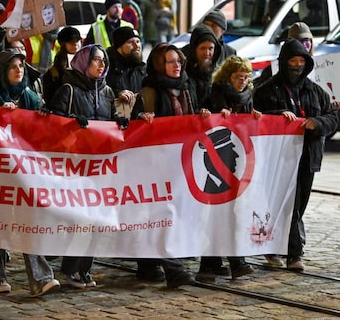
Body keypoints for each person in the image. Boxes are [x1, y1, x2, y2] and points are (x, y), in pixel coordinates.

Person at [43, 44, 129, 289]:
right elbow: (51, 122)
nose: (101, 65)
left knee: (95, 219)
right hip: (73, 168)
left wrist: (125, 113)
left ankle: (84, 268)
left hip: (99, 167)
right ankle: (71, 268)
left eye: (103, 61)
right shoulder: (68, 89)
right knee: (79, 219)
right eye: (96, 60)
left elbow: (119, 121)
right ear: (83, 62)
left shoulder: (108, 91)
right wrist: (70, 122)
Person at [253, 39, 338, 271]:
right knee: (281, 203)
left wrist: (316, 123)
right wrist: (279, 116)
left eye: (301, 61)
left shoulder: (316, 91)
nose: (297, 65)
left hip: (307, 158)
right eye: (293, 60)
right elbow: (255, 119)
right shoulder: (266, 90)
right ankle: (292, 252)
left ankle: (282, 248)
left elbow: (332, 119)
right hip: (276, 160)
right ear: (284, 61)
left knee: (299, 204)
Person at [0, 49, 61, 297]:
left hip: (27, 171)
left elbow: (44, 128)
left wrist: (45, 115)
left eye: (21, 67)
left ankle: (41, 278)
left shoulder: (31, 97)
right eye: (13, 67)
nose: (19, 71)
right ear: (4, 70)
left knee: (30, 223)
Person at [131, 42, 207, 289]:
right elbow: (136, 126)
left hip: (181, 162)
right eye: (170, 62)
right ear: (159, 65)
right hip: (155, 163)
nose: (176, 66)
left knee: (170, 214)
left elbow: (191, 117)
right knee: (161, 215)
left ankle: (147, 265)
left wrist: (202, 115)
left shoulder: (187, 87)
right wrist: (143, 118)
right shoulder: (150, 91)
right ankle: (174, 270)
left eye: (178, 61)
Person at [195, 55, 260, 282]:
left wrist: (254, 118)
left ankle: (211, 263)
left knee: (229, 212)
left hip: (236, 159)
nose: (242, 82)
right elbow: (204, 121)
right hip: (216, 159)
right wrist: (211, 115)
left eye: (246, 77)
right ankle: (234, 262)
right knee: (220, 212)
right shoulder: (216, 94)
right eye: (238, 77)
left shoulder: (247, 96)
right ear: (228, 77)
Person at [105, 26, 147, 119]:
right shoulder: (106, 68)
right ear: (119, 46)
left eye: (138, 41)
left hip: (137, 125)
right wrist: (117, 95)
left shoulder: (142, 69)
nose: (137, 46)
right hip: (114, 125)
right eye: (130, 42)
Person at [181, 24, 223, 106]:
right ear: (194, 49)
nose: (207, 53)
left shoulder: (218, 72)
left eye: (211, 48)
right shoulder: (182, 69)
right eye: (202, 48)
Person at [42, 26, 82, 104]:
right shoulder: (54, 72)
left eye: (77, 40)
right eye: (71, 41)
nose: (75, 44)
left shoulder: (88, 63)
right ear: (63, 44)